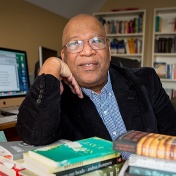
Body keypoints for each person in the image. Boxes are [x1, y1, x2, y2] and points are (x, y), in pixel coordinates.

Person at [16, 14, 176, 150]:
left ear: (109, 50)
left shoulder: (146, 81)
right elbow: (34, 136)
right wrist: (51, 65)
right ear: (63, 57)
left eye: (96, 41)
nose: (87, 51)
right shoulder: (57, 98)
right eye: (74, 44)